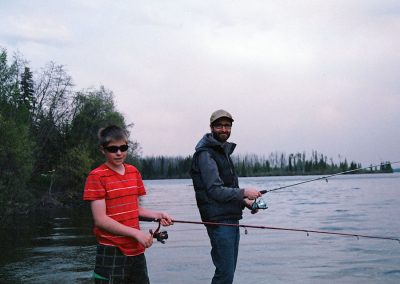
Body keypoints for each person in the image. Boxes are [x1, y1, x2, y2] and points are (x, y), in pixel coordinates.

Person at [83, 125, 173, 283]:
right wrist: (136, 233)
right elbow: (100, 220)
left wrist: (158, 215)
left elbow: (135, 209)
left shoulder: (133, 172)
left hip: (136, 251)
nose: (119, 153)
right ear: (102, 150)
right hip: (111, 250)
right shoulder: (96, 177)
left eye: (123, 147)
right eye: (113, 149)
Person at [190, 109, 262, 284]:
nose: (224, 129)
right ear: (211, 127)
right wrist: (244, 192)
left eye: (227, 126)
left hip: (229, 218)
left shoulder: (222, 152)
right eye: (219, 126)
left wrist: (245, 202)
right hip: (219, 222)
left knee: (228, 273)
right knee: (225, 274)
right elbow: (214, 190)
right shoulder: (206, 154)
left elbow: (227, 189)